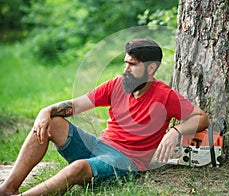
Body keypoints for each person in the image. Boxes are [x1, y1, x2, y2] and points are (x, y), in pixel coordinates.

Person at [0, 38, 209, 195]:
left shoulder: (165, 95)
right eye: (126, 62)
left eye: (133, 64)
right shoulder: (116, 84)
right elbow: (76, 105)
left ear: (151, 68)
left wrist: (176, 131)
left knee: (79, 167)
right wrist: (45, 111)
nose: (126, 69)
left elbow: (201, 117)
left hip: (126, 161)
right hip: (98, 146)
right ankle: (8, 188)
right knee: (53, 122)